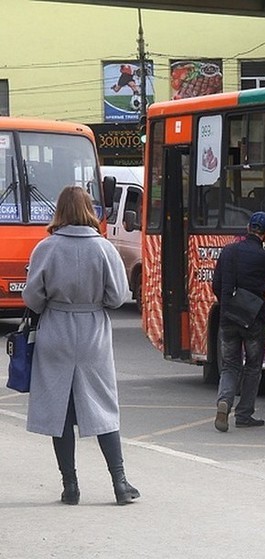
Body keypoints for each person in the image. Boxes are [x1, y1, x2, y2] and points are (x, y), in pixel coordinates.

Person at [22, 186, 139, 506]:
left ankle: (70, 485)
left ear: (59, 210)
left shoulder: (46, 248)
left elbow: (32, 298)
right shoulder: (104, 249)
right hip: (92, 335)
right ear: (90, 209)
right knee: (103, 407)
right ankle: (119, 482)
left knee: (59, 409)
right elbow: (117, 298)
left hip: (56, 331)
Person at [212, 211, 265, 432]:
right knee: (253, 367)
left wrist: (228, 304)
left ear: (247, 229)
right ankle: (244, 414)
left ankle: (224, 402)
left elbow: (216, 285)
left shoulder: (228, 252)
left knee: (229, 365)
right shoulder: (264, 256)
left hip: (228, 317)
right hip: (254, 319)